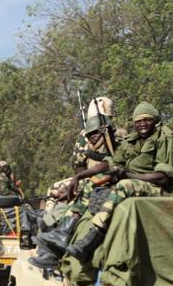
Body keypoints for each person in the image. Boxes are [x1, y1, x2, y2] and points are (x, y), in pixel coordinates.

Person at [64, 101, 173, 261]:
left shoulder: (165, 138)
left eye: (147, 120)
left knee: (124, 185)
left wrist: (129, 176)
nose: (143, 124)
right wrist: (80, 176)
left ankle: (93, 237)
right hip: (139, 183)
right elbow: (111, 162)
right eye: (138, 121)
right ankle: (66, 228)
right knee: (96, 180)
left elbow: (164, 176)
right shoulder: (134, 140)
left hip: (162, 189)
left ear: (155, 120)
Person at [30, 98, 120, 269]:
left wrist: (79, 178)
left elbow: (77, 164)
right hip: (93, 177)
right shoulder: (120, 132)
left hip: (103, 179)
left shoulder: (109, 136)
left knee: (58, 201)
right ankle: (51, 236)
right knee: (63, 197)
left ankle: (50, 242)